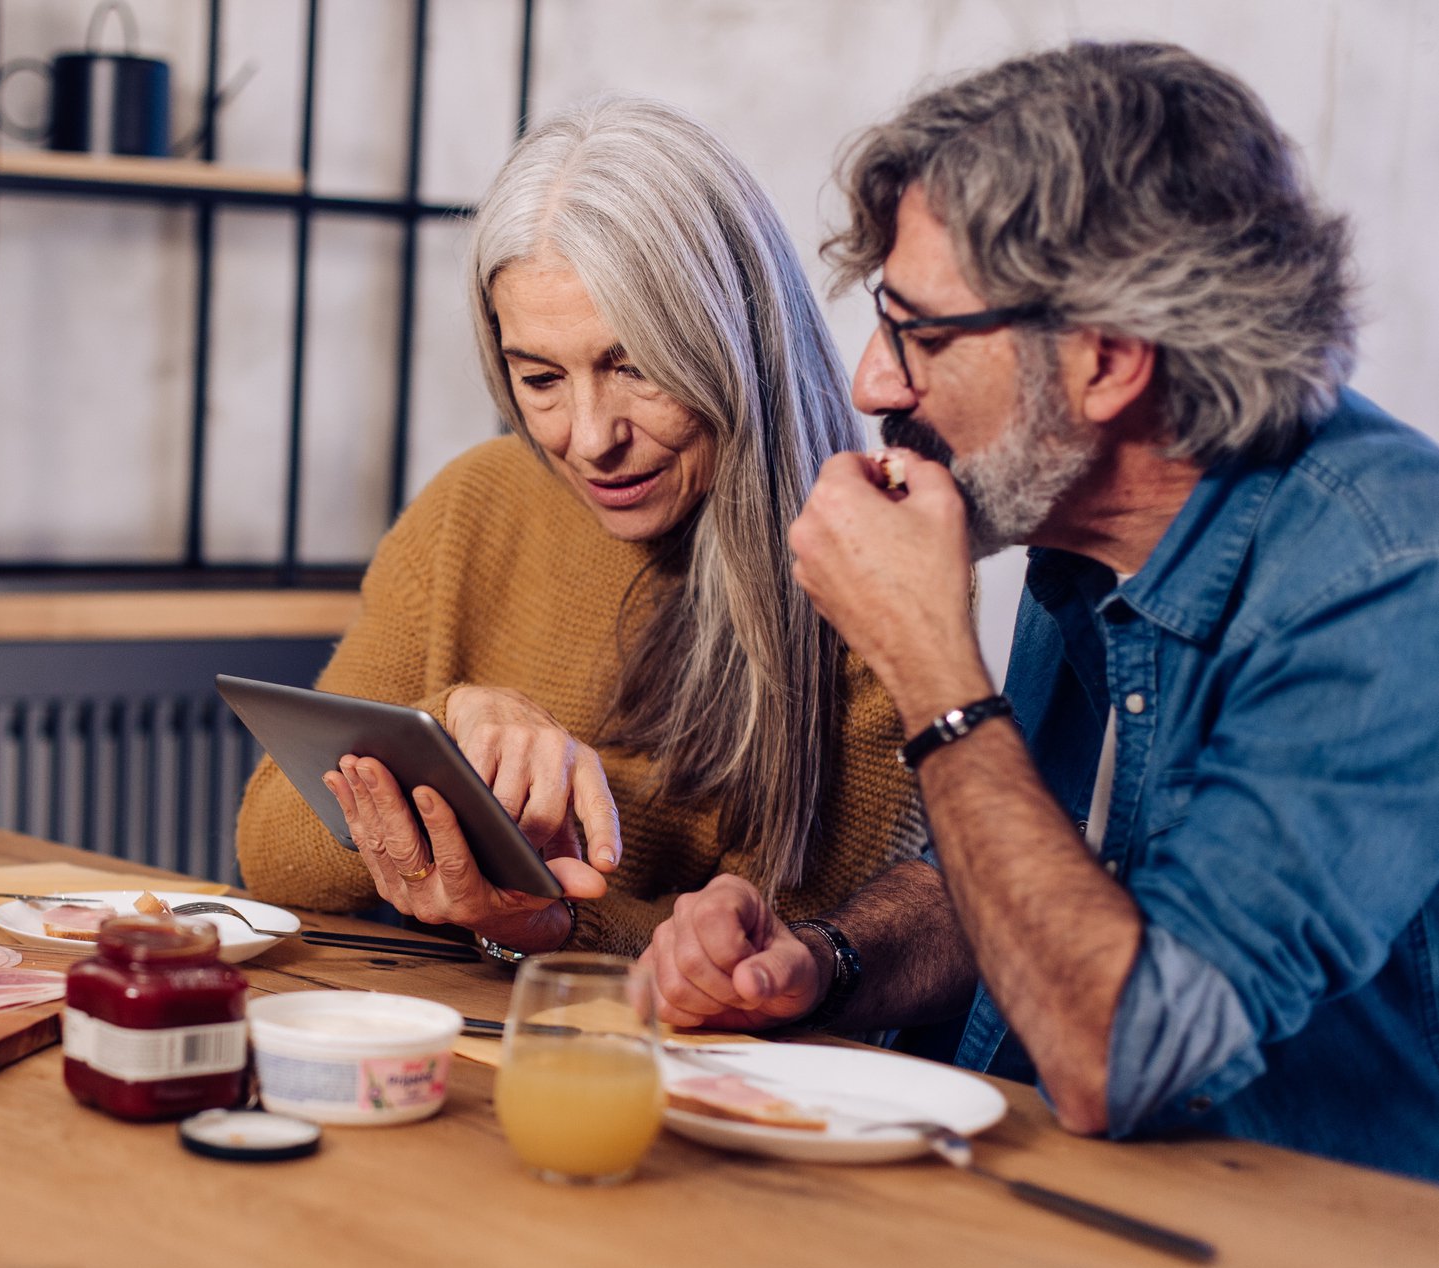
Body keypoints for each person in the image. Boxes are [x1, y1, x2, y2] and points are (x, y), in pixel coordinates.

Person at [644, 41, 1439, 1180]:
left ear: (1107, 364)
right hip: (1065, 1207)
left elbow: (1119, 1047)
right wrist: (824, 961)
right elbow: (1030, 880)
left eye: (920, 333)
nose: (871, 382)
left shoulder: (1387, 582)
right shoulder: (1081, 524)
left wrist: (930, 660)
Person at [235, 96, 925, 961]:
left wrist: (554, 922)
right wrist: (445, 726)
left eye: (633, 365)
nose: (591, 438)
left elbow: (788, 956)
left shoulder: (876, 562)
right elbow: (268, 855)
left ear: (734, 340)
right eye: (539, 377)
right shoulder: (474, 504)